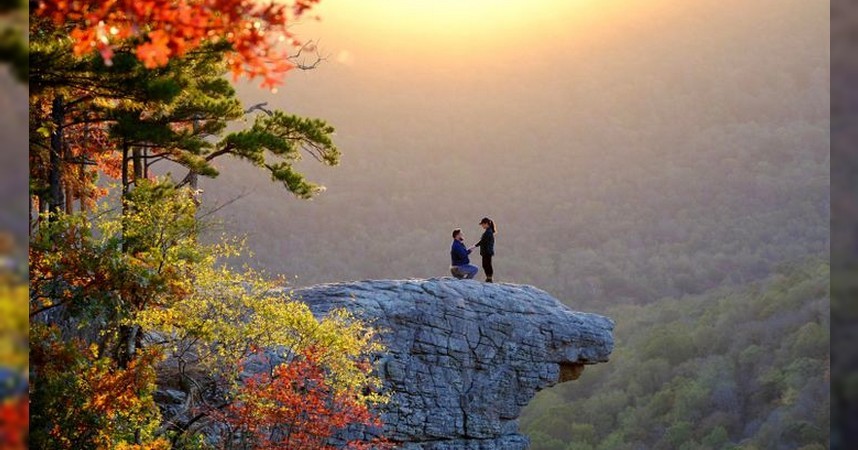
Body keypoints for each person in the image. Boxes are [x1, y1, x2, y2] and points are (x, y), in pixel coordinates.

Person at [471, 217, 496, 282]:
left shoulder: (488, 232)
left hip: (487, 251)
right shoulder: (488, 231)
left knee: (486, 265)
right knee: (486, 264)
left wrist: (475, 246)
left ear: (486, 224)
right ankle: (489, 277)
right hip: (487, 251)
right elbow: (483, 241)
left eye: (482, 224)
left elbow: (482, 241)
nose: (482, 226)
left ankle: (489, 278)